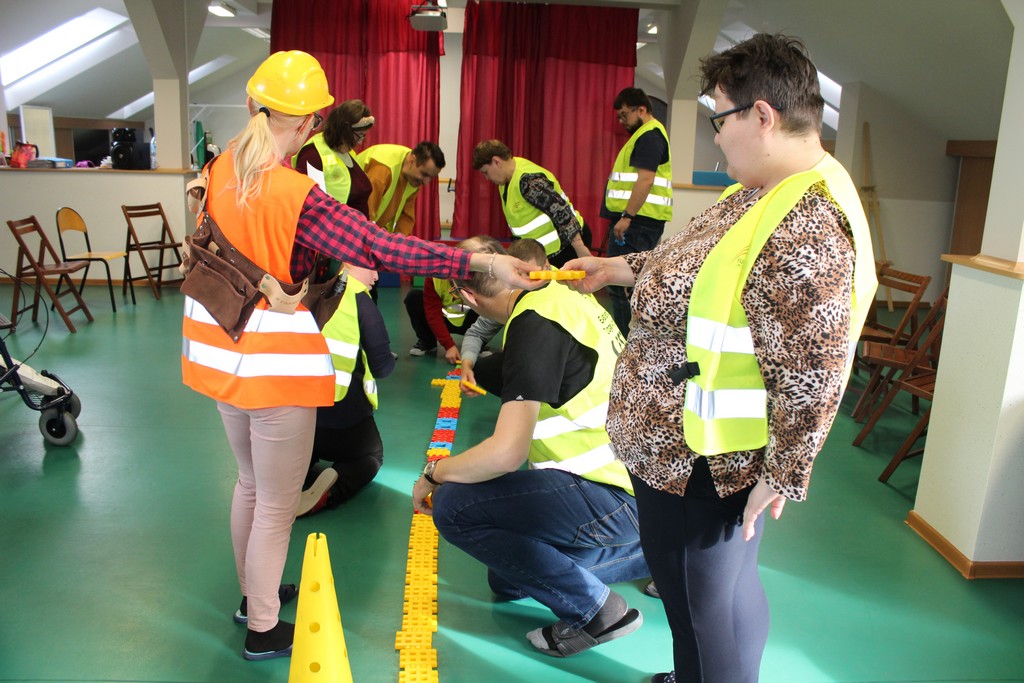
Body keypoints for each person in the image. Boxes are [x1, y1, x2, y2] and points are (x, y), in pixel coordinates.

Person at [179, 50, 536, 662]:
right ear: (310, 122)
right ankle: (263, 627)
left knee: (249, 485)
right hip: (274, 368)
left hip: (221, 357)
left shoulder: (217, 170)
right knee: (276, 503)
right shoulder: (295, 195)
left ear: (252, 104)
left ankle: (252, 596)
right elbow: (383, 248)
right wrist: (480, 260)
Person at [564, 34, 877, 683]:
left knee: (704, 607)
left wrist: (783, 473)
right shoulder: (766, 189)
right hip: (679, 448)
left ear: (761, 115)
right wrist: (614, 268)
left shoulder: (808, 221)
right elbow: (689, 265)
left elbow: (813, 369)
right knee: (713, 599)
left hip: (705, 458)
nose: (716, 138)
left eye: (719, 118)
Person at [412, 237, 649, 659]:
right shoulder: (560, 294)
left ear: (469, 297)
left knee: (454, 507)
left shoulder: (532, 326)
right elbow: (533, 366)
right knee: (507, 579)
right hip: (639, 483)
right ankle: (653, 554)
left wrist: (434, 474)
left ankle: (598, 612)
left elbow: (506, 454)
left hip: (610, 494)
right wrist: (474, 368)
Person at [296, 263, 394, 516]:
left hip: (294, 412)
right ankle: (330, 492)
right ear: (348, 262)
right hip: (341, 416)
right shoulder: (359, 300)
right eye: (371, 267)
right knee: (371, 456)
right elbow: (382, 367)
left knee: (300, 449)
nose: (376, 276)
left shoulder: (302, 287)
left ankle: (292, 474)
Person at [601, 86, 672, 336]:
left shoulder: (650, 136)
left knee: (622, 286)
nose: (622, 121)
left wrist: (627, 217)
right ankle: (629, 340)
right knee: (624, 286)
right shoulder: (644, 135)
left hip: (636, 224)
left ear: (641, 110)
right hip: (636, 222)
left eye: (624, 115)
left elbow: (645, 180)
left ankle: (626, 342)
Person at [472, 139, 592, 268]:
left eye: (486, 172)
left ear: (496, 161)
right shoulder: (507, 178)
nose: (487, 178)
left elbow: (561, 212)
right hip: (545, 252)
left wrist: (580, 249)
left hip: (567, 247)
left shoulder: (529, 182)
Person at [459, 238, 549, 390]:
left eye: (530, 275)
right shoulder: (508, 300)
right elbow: (476, 333)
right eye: (518, 275)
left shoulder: (537, 320)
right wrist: (466, 364)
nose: (524, 282)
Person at [293, 99, 375, 219]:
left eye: (364, 136)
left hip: (354, 227)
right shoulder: (313, 155)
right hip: (333, 228)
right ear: (344, 131)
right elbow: (311, 205)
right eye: (359, 136)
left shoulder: (348, 155)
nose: (360, 142)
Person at [358, 142, 445, 235]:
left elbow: (406, 219)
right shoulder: (383, 169)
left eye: (431, 178)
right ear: (412, 161)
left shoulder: (413, 178)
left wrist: (399, 242)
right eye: (424, 174)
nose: (426, 182)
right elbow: (365, 216)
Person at [403, 264, 480, 362]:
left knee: (488, 307)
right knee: (414, 298)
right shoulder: (435, 278)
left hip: (472, 324)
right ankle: (428, 342)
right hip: (444, 321)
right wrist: (449, 346)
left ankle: (479, 342)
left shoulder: (480, 277)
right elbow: (433, 314)